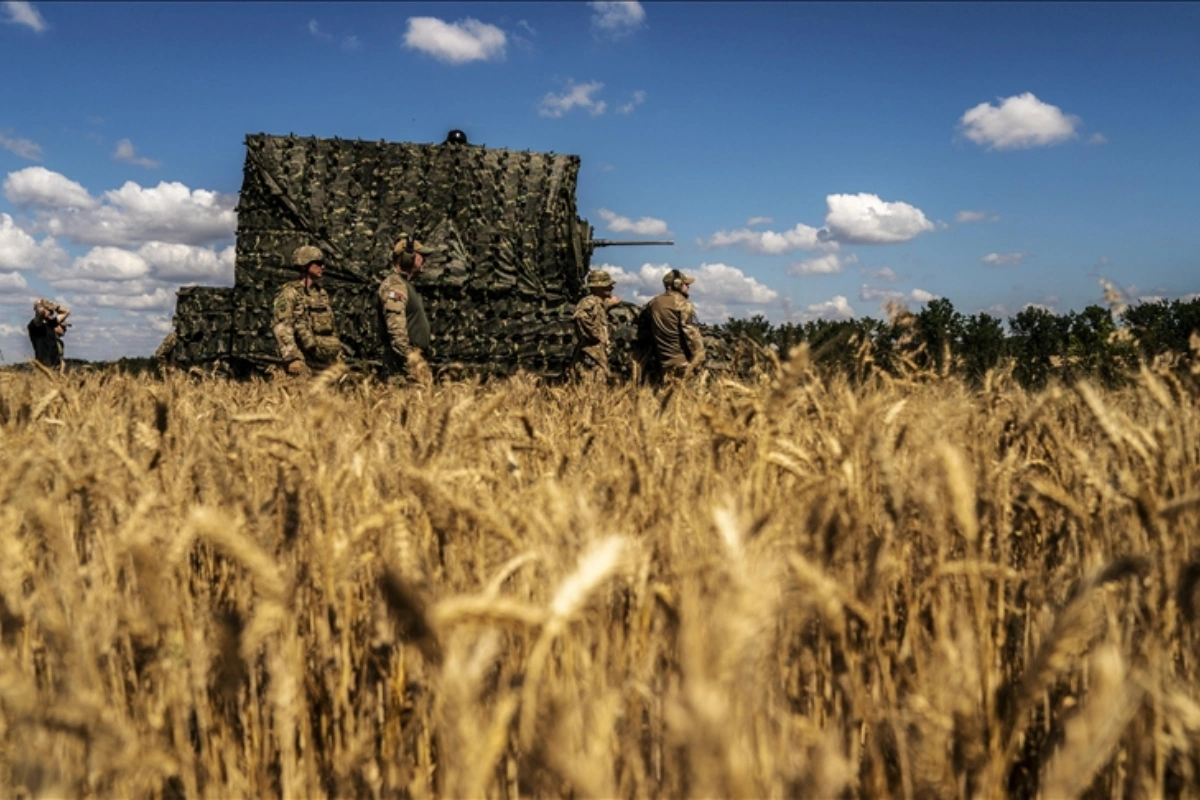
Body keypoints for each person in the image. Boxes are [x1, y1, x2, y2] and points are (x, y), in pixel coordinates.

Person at [272, 245, 343, 376]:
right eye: (318, 263)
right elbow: (281, 326)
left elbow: (331, 327)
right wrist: (292, 358)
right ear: (305, 264)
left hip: (323, 359)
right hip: (302, 360)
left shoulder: (321, 293)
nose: (323, 267)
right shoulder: (289, 293)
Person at [377, 233, 434, 385]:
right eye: (420, 256)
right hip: (402, 369)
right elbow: (396, 331)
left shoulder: (405, 285)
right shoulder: (395, 285)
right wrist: (411, 360)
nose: (424, 260)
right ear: (407, 257)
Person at [639, 269, 705, 383]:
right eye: (686, 284)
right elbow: (691, 335)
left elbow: (642, 319)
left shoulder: (654, 302)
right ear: (677, 284)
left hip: (663, 362)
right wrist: (699, 361)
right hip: (683, 362)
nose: (688, 287)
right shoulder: (682, 303)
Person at [572, 270, 621, 381]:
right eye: (608, 286)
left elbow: (600, 308)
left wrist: (611, 303)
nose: (611, 288)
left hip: (598, 354)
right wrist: (597, 336)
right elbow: (580, 317)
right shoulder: (588, 302)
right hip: (591, 354)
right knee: (592, 390)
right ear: (598, 287)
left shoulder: (597, 303)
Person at [27, 299, 70, 369]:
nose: (51, 313)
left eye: (51, 312)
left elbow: (66, 312)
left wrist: (54, 307)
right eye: (48, 310)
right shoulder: (35, 325)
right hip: (43, 367)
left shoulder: (50, 324)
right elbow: (40, 312)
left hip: (55, 367)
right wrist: (40, 303)